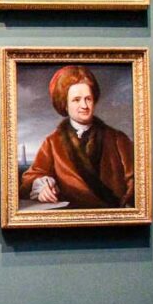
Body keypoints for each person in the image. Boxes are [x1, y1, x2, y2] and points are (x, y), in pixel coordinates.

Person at [20, 65, 134, 209]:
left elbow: (135, 181)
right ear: (65, 104)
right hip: (70, 220)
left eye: (88, 99)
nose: (84, 105)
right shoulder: (52, 143)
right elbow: (31, 177)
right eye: (76, 100)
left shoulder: (118, 139)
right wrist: (43, 188)